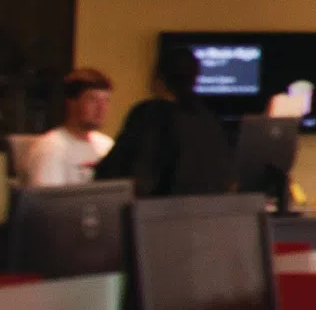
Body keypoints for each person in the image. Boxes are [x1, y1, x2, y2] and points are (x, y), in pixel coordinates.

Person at [93, 41, 235, 198]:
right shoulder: (210, 121)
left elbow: (123, 174)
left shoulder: (150, 115)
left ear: (157, 78)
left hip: (160, 216)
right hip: (209, 216)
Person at [23, 67, 115, 186]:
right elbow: (48, 201)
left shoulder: (106, 145)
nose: (101, 108)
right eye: (92, 100)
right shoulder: (50, 148)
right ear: (72, 103)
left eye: (106, 101)